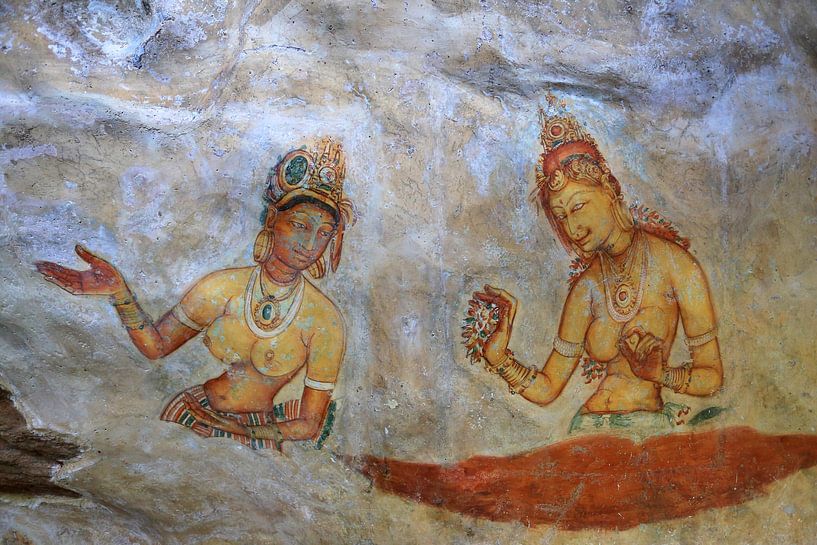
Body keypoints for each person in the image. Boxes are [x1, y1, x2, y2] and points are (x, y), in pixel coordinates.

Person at [36, 137, 356, 450]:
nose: (310, 244)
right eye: (300, 226)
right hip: (192, 415)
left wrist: (243, 430)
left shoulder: (324, 320)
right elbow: (156, 346)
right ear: (273, 220)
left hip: (257, 434)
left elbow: (309, 424)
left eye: (324, 233)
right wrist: (120, 293)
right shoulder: (223, 287)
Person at [470, 96, 723, 435]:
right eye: (561, 217)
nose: (572, 228)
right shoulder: (586, 287)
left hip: (645, 430)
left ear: (608, 190)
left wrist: (661, 375)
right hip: (586, 429)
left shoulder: (676, 266)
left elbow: (712, 377)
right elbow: (548, 388)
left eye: (578, 207)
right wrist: (499, 358)